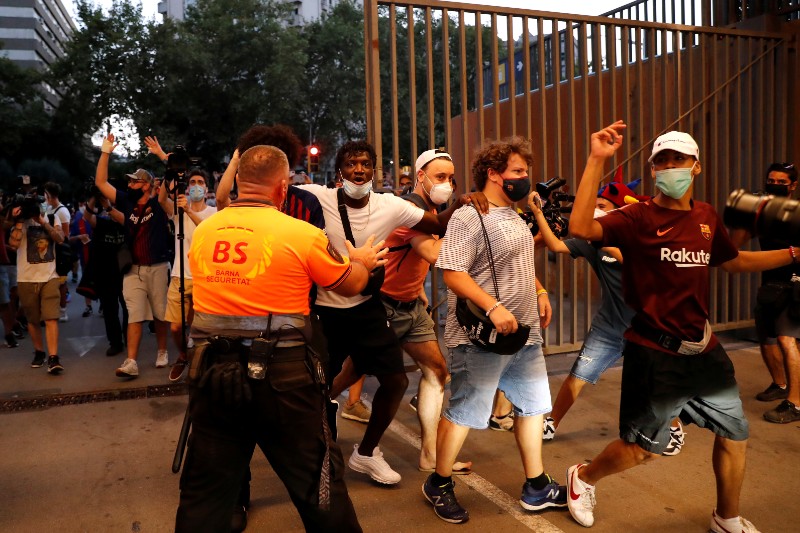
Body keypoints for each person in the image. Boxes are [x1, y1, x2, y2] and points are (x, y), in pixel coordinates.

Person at [565, 124, 798, 533]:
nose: (670, 166)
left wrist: (794, 252)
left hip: (704, 350)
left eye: (679, 159)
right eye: (662, 160)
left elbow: (734, 260)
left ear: (696, 166)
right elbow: (582, 229)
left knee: (734, 435)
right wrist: (596, 159)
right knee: (643, 452)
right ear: (653, 169)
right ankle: (583, 477)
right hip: (654, 353)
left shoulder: (706, 216)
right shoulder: (636, 216)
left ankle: (725, 517)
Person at [174, 144, 384, 533]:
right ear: (283, 187)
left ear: (238, 182)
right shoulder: (301, 234)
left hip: (213, 374)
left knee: (204, 493)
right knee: (319, 486)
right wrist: (363, 262)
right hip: (285, 379)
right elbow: (352, 285)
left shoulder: (205, 232)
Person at [297, 140, 480, 486]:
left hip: (367, 308)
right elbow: (273, 188)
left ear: (374, 170)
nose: (359, 170)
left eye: (365, 164)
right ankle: (313, 448)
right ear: (340, 172)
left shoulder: (391, 206)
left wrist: (462, 202)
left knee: (396, 380)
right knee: (320, 384)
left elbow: (436, 224)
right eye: (351, 164)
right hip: (325, 311)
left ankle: (365, 453)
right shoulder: (318, 196)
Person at [423, 137, 564, 524]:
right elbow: (451, 272)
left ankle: (536, 485)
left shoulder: (516, 215)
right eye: (517, 171)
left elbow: (520, 261)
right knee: (467, 410)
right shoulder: (470, 216)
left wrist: (539, 290)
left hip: (524, 334)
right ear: (494, 173)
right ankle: (439, 482)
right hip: (480, 336)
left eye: (525, 171)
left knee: (533, 407)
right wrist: (494, 306)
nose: (524, 178)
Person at [379, 148, 473, 474]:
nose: (448, 184)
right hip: (383, 308)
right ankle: (311, 427)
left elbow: (409, 257)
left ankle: (430, 456)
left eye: (451, 178)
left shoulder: (435, 210)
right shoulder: (410, 209)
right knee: (349, 375)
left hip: (410, 307)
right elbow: (431, 252)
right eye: (440, 177)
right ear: (421, 177)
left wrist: (416, 288)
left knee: (437, 372)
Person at [95, 133, 171, 378]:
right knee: (135, 315)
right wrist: (106, 151)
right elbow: (101, 183)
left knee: (160, 313)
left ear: (148, 185)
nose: (129, 186)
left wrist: (161, 155)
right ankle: (131, 361)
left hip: (158, 266)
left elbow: (175, 175)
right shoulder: (127, 202)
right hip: (133, 269)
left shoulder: (159, 202)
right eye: (129, 182)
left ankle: (162, 350)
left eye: (135, 182)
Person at [730, 162, 800, 423]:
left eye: (782, 183)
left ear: (792, 186)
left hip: (795, 286)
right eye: (772, 180)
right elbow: (732, 247)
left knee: (786, 339)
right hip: (770, 286)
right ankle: (780, 385)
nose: (775, 185)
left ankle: (795, 403)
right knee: (767, 340)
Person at [157, 166, 216, 382]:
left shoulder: (214, 212)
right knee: (175, 326)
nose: (197, 186)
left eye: (201, 182)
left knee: (202, 327)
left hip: (204, 277)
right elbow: (162, 199)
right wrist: (169, 175)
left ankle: (201, 361)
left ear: (207, 189)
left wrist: (188, 211)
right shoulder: (177, 210)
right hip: (179, 275)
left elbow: (207, 233)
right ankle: (183, 355)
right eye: (193, 183)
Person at [7, 194, 66, 374]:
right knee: (33, 320)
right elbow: (13, 245)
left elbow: (60, 238)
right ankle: (39, 351)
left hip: (49, 276)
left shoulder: (51, 217)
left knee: (51, 317)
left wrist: (42, 221)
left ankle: (54, 357)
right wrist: (18, 221)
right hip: (26, 278)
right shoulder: (20, 222)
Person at [43, 182, 71, 322]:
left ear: (49, 194)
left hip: (60, 252)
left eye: (45, 193)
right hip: (50, 250)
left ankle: (63, 311)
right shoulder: (48, 208)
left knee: (61, 282)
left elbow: (65, 235)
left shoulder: (62, 211)